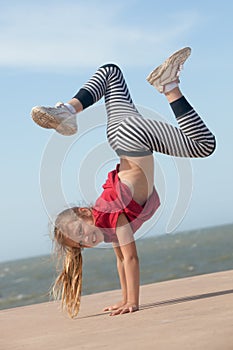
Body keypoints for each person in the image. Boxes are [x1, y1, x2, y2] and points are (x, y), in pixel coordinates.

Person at [31, 47, 216, 318]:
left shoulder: (109, 215)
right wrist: (124, 299)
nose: (87, 239)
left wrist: (134, 303)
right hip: (120, 134)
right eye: (81, 244)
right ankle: (69, 110)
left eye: (80, 232)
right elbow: (120, 261)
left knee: (203, 144)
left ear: (84, 213)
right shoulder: (107, 225)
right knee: (110, 73)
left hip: (133, 138)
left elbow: (131, 258)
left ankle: (168, 86)